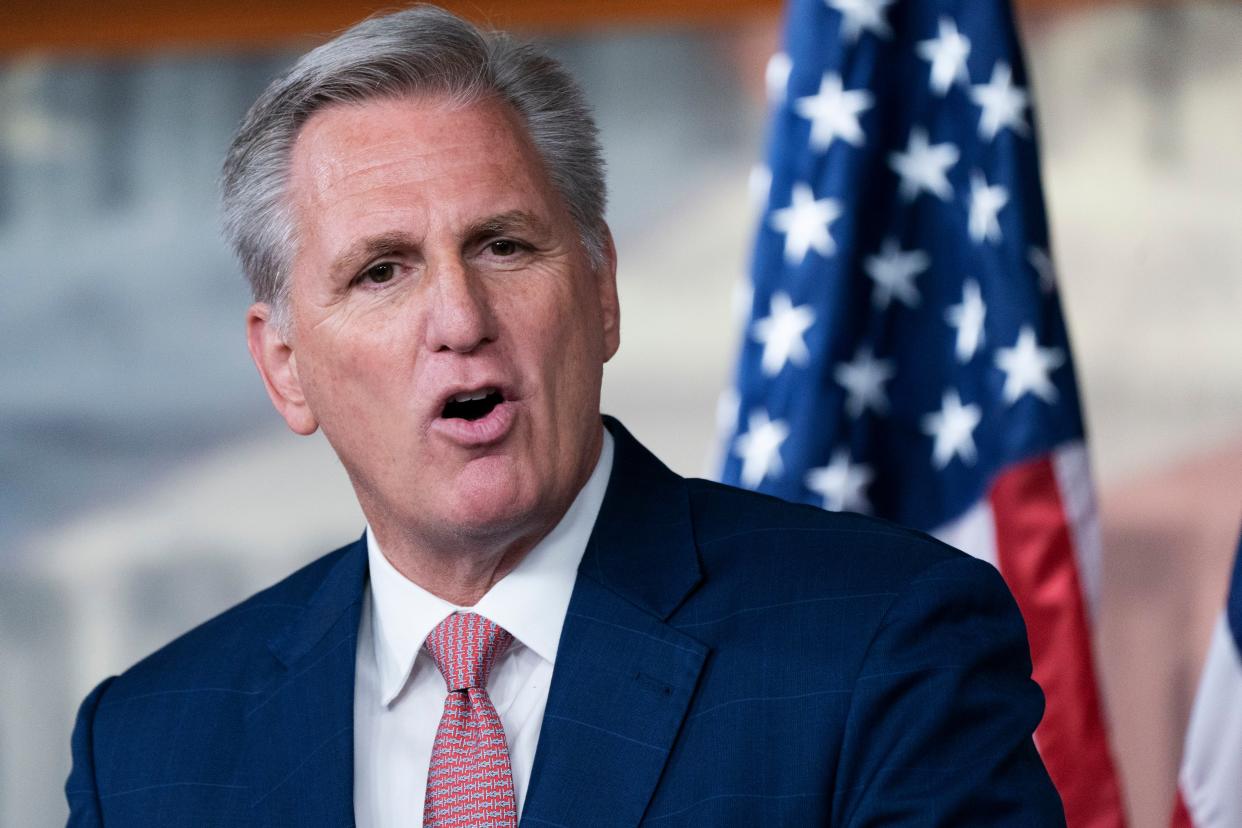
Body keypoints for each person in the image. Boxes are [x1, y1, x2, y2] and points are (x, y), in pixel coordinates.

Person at [66, 5, 1065, 825]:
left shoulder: (886, 649)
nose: (459, 318)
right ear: (285, 367)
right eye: (382, 272)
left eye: (504, 246)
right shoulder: (146, 749)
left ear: (601, 293)